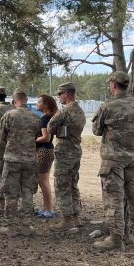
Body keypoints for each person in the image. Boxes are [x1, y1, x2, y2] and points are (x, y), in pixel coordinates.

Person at [91, 71, 134, 251]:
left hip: (114, 159)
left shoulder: (108, 106)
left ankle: (116, 239)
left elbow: (96, 130)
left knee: (114, 198)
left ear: (114, 85)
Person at [0, 89, 41, 232]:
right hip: (30, 160)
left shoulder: (9, 115)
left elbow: (1, 138)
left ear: (14, 101)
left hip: (12, 160)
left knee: (11, 193)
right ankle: (26, 226)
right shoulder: (35, 117)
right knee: (27, 192)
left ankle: (10, 226)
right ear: (26, 100)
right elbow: (37, 136)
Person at [49, 82, 87, 231]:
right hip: (76, 151)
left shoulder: (64, 111)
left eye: (60, 95)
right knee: (73, 184)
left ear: (66, 93)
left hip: (64, 152)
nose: (59, 98)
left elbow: (51, 127)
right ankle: (76, 217)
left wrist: (58, 129)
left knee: (62, 185)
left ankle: (66, 220)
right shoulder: (80, 111)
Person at [35, 94, 58, 219]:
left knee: (43, 182)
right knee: (44, 181)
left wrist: (33, 140)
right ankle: (46, 208)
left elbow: (46, 137)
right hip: (47, 151)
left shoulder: (44, 118)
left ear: (45, 104)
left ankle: (48, 210)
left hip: (44, 151)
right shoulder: (50, 117)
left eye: (39, 102)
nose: (36, 104)